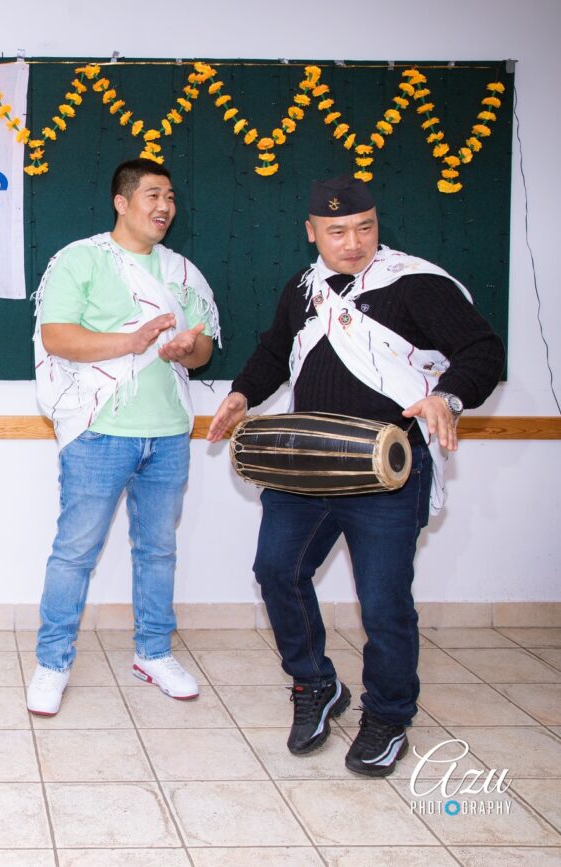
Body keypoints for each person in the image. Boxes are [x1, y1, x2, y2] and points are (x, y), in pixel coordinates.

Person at [207, 175, 504, 776]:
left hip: (388, 470)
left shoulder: (414, 283)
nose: (353, 242)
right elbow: (274, 352)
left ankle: (388, 714)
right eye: (337, 231)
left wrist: (447, 396)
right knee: (277, 571)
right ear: (312, 232)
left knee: (384, 601)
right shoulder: (304, 288)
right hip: (306, 466)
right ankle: (315, 684)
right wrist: (242, 393)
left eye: (364, 228)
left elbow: (483, 350)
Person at [28, 159, 221, 715]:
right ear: (122, 201)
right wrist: (132, 342)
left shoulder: (182, 271)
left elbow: (204, 350)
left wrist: (186, 349)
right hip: (98, 432)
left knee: (158, 550)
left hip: (168, 433)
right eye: (153, 195)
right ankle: (52, 663)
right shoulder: (81, 259)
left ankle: (153, 653)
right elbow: (57, 336)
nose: (165, 207)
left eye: (171, 197)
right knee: (75, 553)